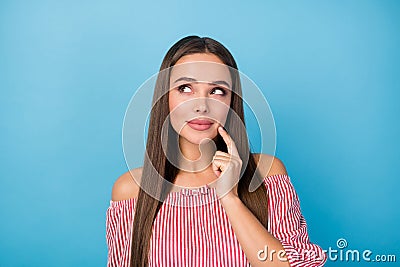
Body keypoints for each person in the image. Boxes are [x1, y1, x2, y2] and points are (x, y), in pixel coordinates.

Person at [106, 36, 326, 267]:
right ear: (165, 98)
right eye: (185, 88)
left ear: (231, 102)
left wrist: (229, 198)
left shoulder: (266, 173)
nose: (202, 105)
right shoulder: (131, 190)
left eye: (217, 91)